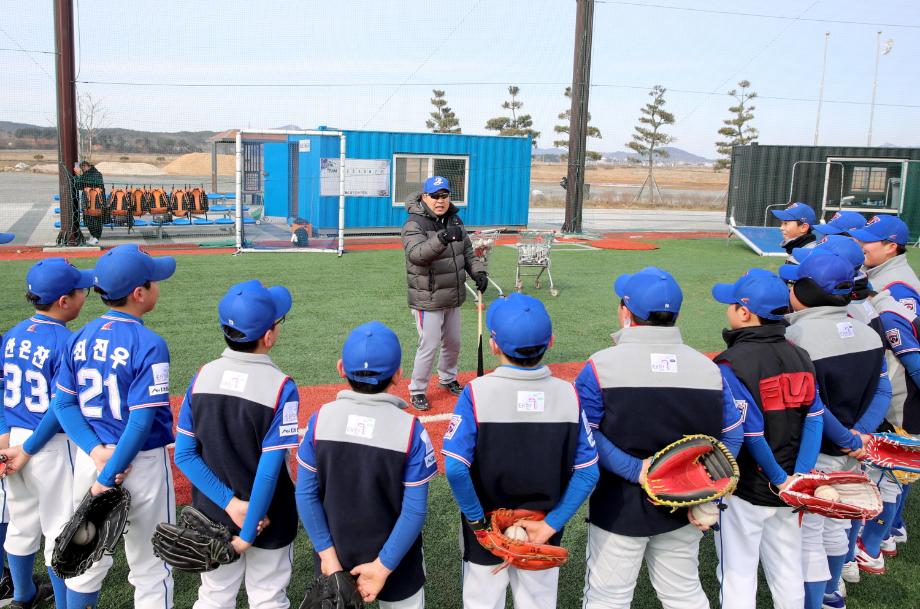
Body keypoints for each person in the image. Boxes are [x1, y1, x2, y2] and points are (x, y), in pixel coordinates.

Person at [574, 266, 743, 609]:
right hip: (684, 506)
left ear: (626, 312)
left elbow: (585, 432)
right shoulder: (708, 368)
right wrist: (703, 488)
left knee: (608, 597)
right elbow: (732, 435)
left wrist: (637, 470)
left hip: (618, 506)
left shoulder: (599, 365)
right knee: (683, 594)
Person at [442, 293, 599, 609]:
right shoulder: (568, 395)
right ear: (550, 341)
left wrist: (479, 526)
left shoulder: (476, 393)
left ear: (494, 346)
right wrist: (551, 525)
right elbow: (588, 471)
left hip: (486, 530)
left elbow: (457, 468)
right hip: (542, 531)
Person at [52, 244, 177, 609]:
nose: (158, 285)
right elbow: (140, 421)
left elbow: (62, 403)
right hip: (140, 463)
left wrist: (96, 455)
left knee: (82, 560)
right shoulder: (150, 344)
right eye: (154, 281)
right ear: (139, 294)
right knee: (152, 565)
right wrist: (110, 474)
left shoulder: (79, 337)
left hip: (90, 457)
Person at [174, 280, 298, 609]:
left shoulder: (201, 377)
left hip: (213, 514)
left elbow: (185, 456)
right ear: (268, 336)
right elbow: (270, 473)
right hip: (269, 516)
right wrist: (247, 527)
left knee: (214, 597)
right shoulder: (281, 387)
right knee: (268, 597)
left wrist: (230, 505)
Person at [778, 251, 891, 609]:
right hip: (855, 451)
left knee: (809, 536)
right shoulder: (868, 333)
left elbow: (811, 402)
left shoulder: (794, 335)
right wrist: (858, 436)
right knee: (837, 526)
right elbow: (883, 391)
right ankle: (832, 591)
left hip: (817, 452)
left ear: (809, 290)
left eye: (796, 283)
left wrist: (844, 437)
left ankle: (818, 601)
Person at [296, 321, 437, 608]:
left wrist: (329, 558)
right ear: (398, 375)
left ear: (340, 369)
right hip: (398, 564)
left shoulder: (320, 421)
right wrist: (383, 567)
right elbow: (414, 510)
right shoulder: (411, 430)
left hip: (334, 559)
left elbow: (305, 495)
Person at [709, 268, 824, 609]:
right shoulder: (799, 354)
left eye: (731, 302)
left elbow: (751, 432)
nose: (727, 307)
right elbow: (815, 418)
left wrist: (778, 478)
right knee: (787, 569)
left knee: (738, 572)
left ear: (745, 312)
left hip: (749, 488)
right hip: (791, 484)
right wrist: (798, 478)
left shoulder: (731, 363)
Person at [0, 258, 94, 609]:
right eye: (81, 290)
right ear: (64, 301)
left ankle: (23, 595)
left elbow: (2, 391)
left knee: (22, 523)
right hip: (51, 445)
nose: (86, 294)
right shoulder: (68, 342)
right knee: (61, 530)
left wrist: (5, 437)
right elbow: (60, 407)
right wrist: (29, 448)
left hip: (14, 441)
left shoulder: (12, 334)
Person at [401, 175, 487, 411]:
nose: (440, 201)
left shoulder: (455, 220)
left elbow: (468, 252)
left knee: (453, 342)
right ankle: (417, 389)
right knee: (429, 345)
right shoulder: (414, 223)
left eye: (444, 196)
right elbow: (416, 255)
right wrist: (441, 238)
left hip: (453, 295)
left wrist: (478, 272)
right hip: (427, 297)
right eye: (435, 196)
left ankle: (448, 378)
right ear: (425, 196)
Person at [74, 160, 106, 245]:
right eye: (82, 167)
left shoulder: (97, 174)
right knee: (87, 219)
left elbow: (84, 183)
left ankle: (96, 237)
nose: (83, 168)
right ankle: (92, 236)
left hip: (96, 201)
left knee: (96, 220)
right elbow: (79, 186)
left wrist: (78, 175)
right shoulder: (85, 175)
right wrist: (78, 176)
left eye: (84, 166)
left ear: (89, 166)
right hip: (87, 201)